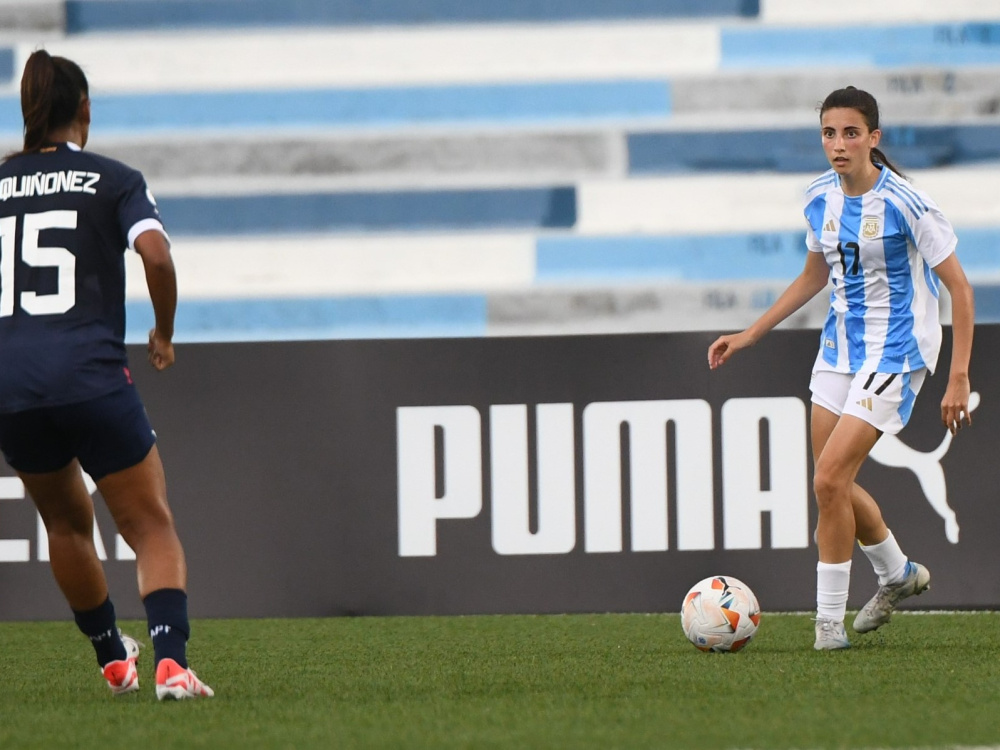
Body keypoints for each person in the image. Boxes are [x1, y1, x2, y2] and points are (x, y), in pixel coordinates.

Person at [707, 86, 975, 651]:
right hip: (838, 352)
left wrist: (958, 375)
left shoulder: (908, 203)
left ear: (874, 139)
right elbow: (814, 276)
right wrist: (752, 333)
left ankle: (827, 626)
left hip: (896, 353)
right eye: (829, 133)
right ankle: (898, 572)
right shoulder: (819, 199)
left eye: (851, 133)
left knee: (828, 480)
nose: (839, 144)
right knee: (833, 484)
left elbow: (960, 289)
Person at [0, 50, 213, 697]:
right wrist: (165, 332)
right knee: (150, 525)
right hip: (90, 375)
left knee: (64, 524)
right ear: (84, 110)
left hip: (13, 385)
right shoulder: (113, 180)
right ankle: (171, 662)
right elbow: (156, 253)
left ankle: (112, 658)